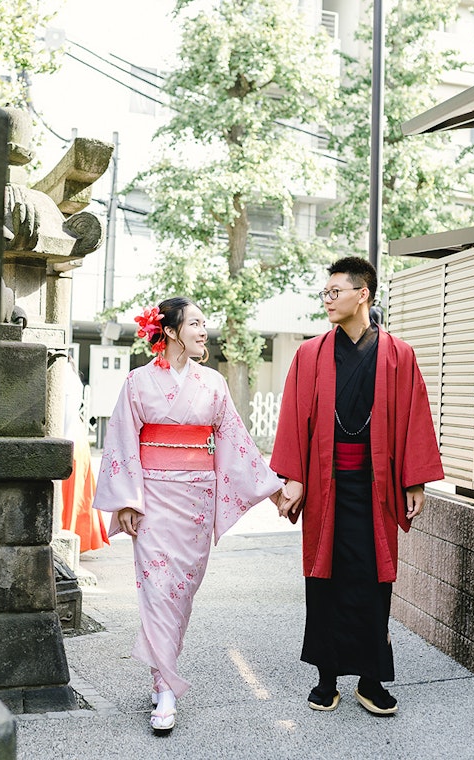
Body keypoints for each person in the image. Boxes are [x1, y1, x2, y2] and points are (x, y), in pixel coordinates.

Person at [92, 297, 283, 735]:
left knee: (179, 593)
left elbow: (235, 440)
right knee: (158, 590)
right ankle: (165, 687)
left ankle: (162, 673)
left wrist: (271, 487)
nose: (204, 330)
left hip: (196, 500)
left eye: (204, 323)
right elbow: (122, 439)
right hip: (153, 502)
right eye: (195, 323)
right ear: (171, 331)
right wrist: (126, 500)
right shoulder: (138, 382)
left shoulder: (213, 384)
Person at [271, 256, 444, 716]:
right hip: (327, 484)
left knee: (373, 582)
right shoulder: (310, 354)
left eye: (335, 292)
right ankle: (326, 679)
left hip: (377, 487)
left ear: (362, 294)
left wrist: (415, 481)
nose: (327, 300)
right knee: (323, 577)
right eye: (324, 293)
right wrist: (294, 476)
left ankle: (370, 680)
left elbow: (414, 419)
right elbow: (293, 420)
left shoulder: (398, 354)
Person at [60, 357, 109, 552]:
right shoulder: (69, 372)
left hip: (68, 437)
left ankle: (68, 535)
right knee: (77, 494)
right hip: (76, 436)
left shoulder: (63, 372)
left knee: (69, 494)